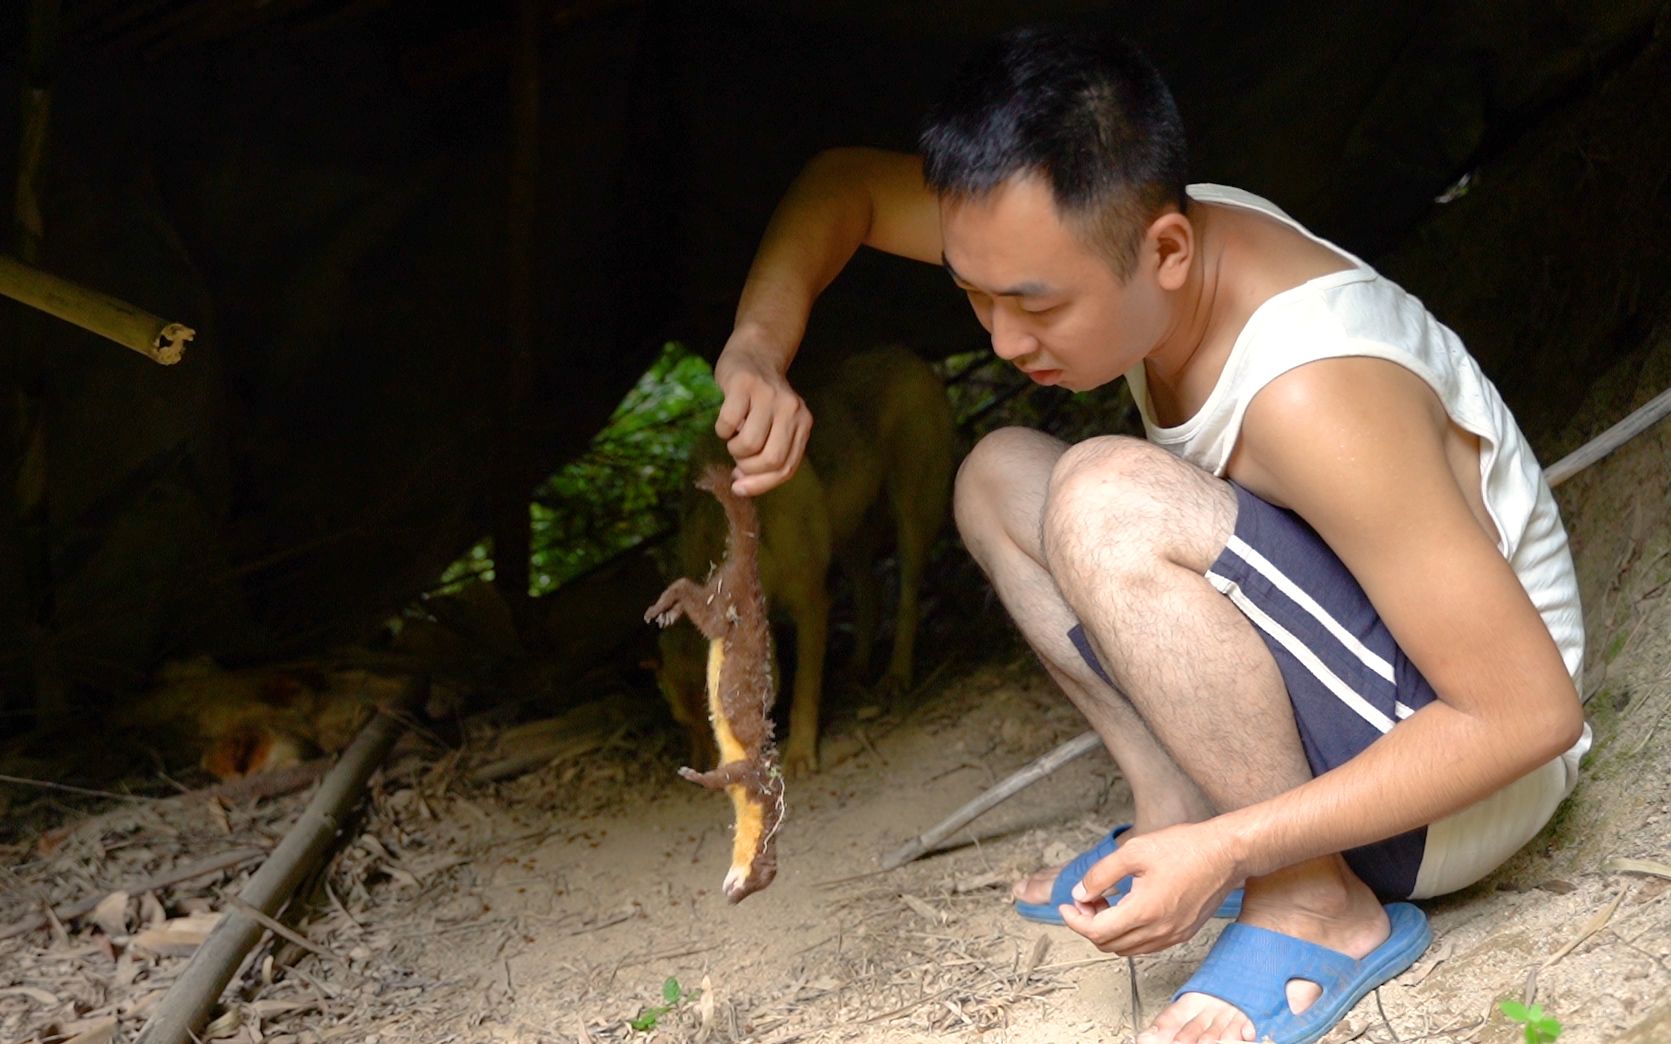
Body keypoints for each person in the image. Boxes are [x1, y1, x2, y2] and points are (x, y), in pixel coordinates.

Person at [708, 25, 1589, 1044]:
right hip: (1367, 705)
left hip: (1463, 791)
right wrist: (757, 352)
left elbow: (1529, 715)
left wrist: (1239, 845)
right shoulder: (1114, 229)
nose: (1000, 339)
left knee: (1103, 495)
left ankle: (1313, 903)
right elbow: (843, 189)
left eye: (1035, 304)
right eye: (973, 295)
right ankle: (1176, 805)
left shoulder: (1318, 392)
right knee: (996, 479)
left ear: (1166, 250)